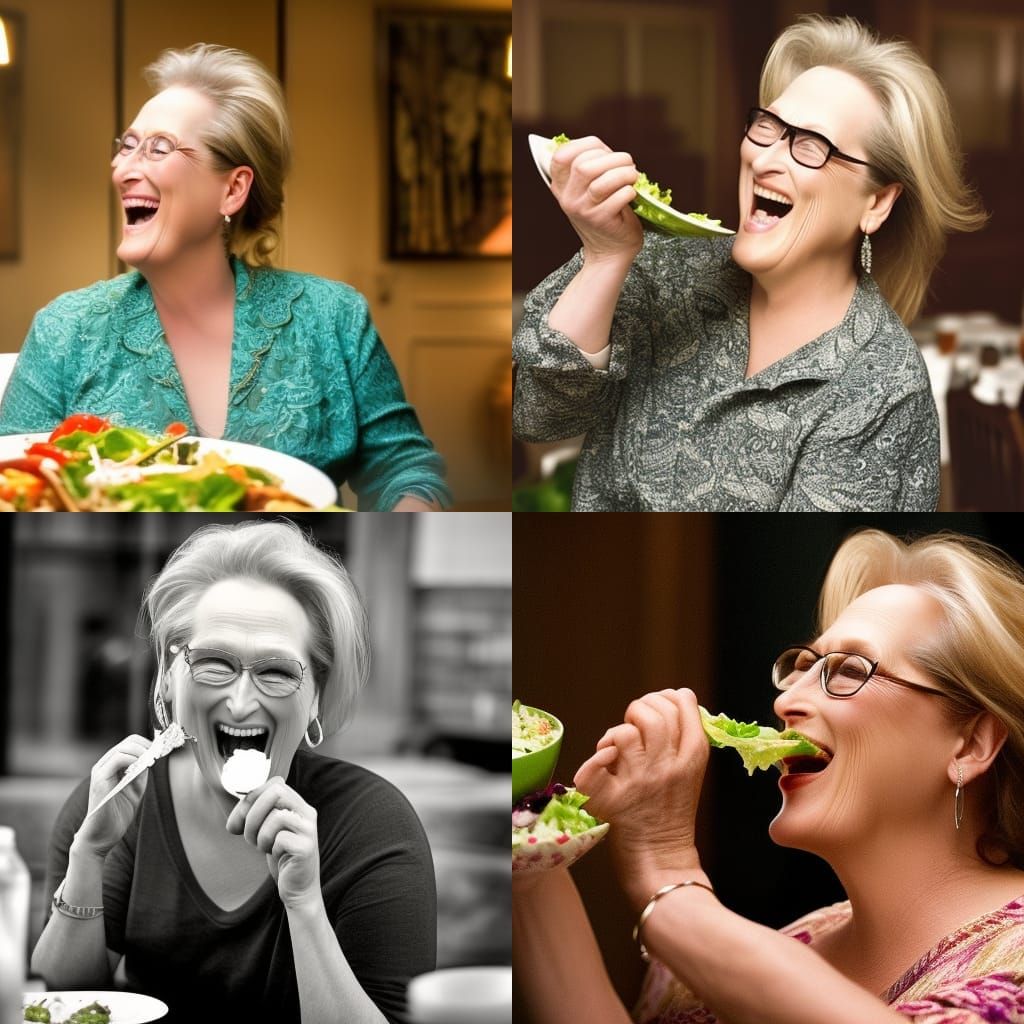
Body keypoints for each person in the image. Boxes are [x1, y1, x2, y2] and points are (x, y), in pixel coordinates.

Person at [513, 529, 1024, 1023]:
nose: (786, 701)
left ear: (971, 744)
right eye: (802, 666)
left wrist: (666, 873)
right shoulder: (760, 952)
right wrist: (534, 852)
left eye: (848, 670)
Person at [513, 16, 987, 511]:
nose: (763, 160)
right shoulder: (659, 268)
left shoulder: (880, 389)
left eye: (810, 145)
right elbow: (537, 417)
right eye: (769, 127)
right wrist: (605, 258)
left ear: (877, 204)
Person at [0, 44, 449, 511]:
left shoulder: (334, 317)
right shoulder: (63, 328)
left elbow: (405, 469)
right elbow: (11, 473)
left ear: (233, 189)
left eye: (158, 148)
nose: (124, 169)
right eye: (128, 145)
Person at [32, 521, 437, 1024]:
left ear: (316, 698)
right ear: (167, 676)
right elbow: (61, 995)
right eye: (214, 663)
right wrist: (88, 856)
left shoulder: (373, 824)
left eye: (277, 671)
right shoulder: (117, 800)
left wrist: (303, 903)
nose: (241, 703)